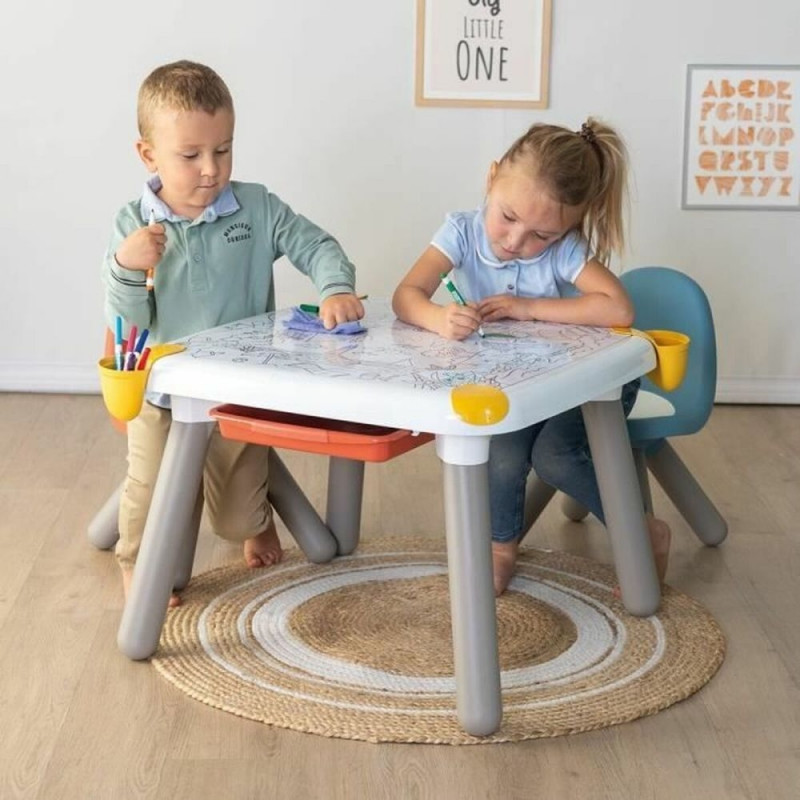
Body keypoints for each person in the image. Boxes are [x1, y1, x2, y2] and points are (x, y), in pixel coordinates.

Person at [103, 60, 364, 605]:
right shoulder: (133, 226)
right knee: (151, 493)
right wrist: (126, 268)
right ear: (149, 155)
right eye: (191, 155)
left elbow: (317, 245)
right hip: (161, 393)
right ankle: (137, 564)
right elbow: (129, 324)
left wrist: (335, 286)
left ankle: (255, 521)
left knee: (237, 512)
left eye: (223, 150)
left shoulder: (256, 207)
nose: (210, 169)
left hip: (237, 391)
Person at [392, 118, 670, 596]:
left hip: (588, 384)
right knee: (500, 452)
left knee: (555, 456)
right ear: (491, 177)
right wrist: (437, 318)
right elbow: (406, 295)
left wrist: (526, 307)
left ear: (566, 229)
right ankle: (501, 549)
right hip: (517, 386)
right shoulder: (461, 232)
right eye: (507, 216)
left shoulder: (563, 250)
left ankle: (643, 531)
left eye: (541, 235)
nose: (516, 242)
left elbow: (619, 308)